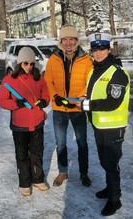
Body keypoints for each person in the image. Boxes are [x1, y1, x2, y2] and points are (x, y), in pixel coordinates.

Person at [75, 33, 130, 216]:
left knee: (111, 164)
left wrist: (86, 104)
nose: (98, 53)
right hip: (99, 125)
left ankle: (115, 200)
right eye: (95, 49)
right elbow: (93, 93)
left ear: (109, 49)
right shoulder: (95, 70)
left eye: (102, 49)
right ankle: (109, 189)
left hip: (113, 128)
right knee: (105, 162)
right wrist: (85, 98)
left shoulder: (117, 73)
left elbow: (112, 102)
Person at [44, 24, 93, 187]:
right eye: (65, 39)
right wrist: (55, 96)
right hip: (59, 109)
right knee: (61, 143)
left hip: (78, 108)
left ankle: (84, 173)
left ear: (76, 40)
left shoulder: (86, 60)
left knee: (82, 142)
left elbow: (90, 82)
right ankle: (62, 171)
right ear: (61, 41)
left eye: (71, 39)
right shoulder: (54, 58)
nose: (68, 43)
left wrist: (79, 98)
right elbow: (48, 80)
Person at [0, 47, 50, 196]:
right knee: (22, 155)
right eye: (25, 63)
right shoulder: (9, 80)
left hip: (37, 122)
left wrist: (43, 101)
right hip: (19, 125)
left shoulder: (39, 79)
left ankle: (38, 179)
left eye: (32, 63)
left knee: (37, 152)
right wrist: (15, 104)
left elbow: (46, 95)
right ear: (20, 63)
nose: (29, 67)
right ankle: (25, 183)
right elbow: (1, 100)